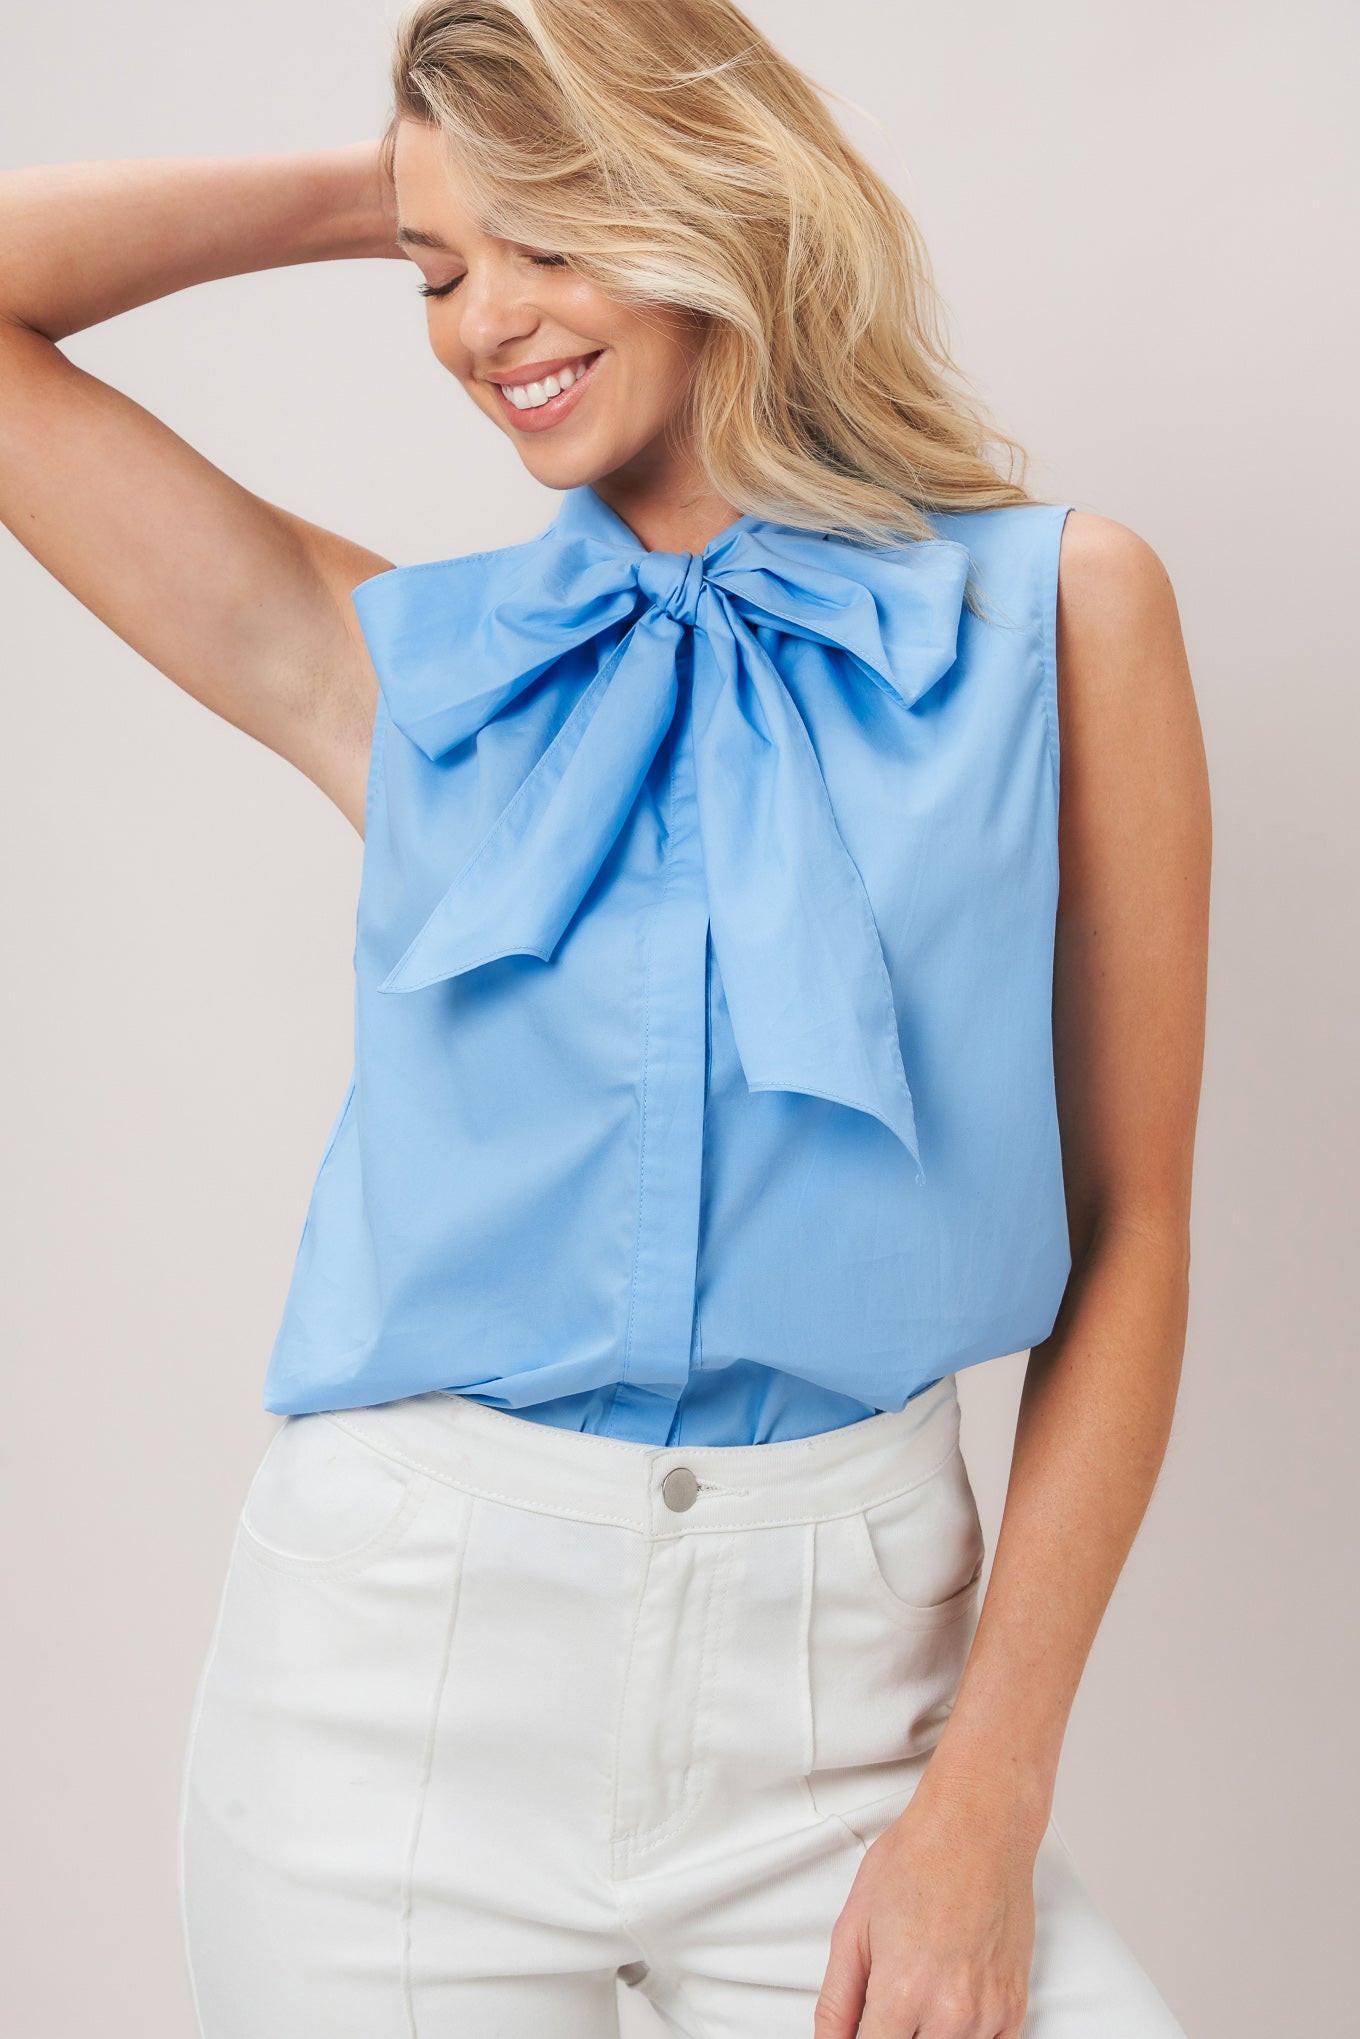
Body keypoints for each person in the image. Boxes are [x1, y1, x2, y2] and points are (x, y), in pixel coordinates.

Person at [0, 1, 1211, 2033]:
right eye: (443, 272)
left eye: (549, 235)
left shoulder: (1059, 619)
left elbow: (1140, 1234)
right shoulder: (414, 675)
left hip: (853, 1717)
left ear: (705, 200)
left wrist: (984, 1805)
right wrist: (381, 195)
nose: (484, 324)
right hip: (390, 1701)